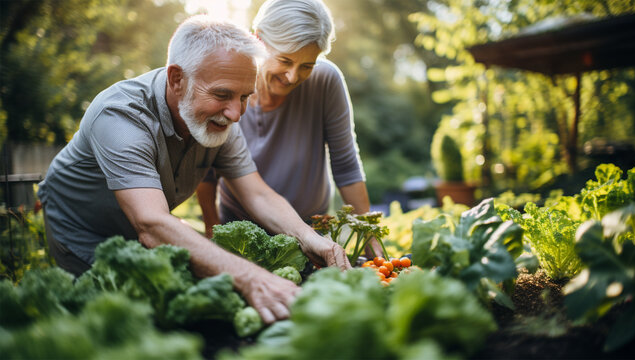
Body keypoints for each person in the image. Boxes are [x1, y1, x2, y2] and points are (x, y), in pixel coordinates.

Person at [36, 16, 351, 324]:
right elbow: (152, 223)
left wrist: (312, 239)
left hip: (143, 231)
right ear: (176, 79)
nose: (236, 113)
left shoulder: (221, 118)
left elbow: (256, 193)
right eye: (222, 95)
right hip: (83, 229)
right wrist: (252, 278)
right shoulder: (121, 116)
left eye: (245, 97)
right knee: (111, 324)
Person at [196, 0, 383, 258]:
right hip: (241, 237)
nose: (293, 76)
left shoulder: (326, 81)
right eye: (285, 60)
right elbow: (205, 171)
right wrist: (212, 231)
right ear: (258, 40)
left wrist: (371, 241)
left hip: (311, 233)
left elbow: (346, 165)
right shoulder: (229, 83)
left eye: (307, 66)